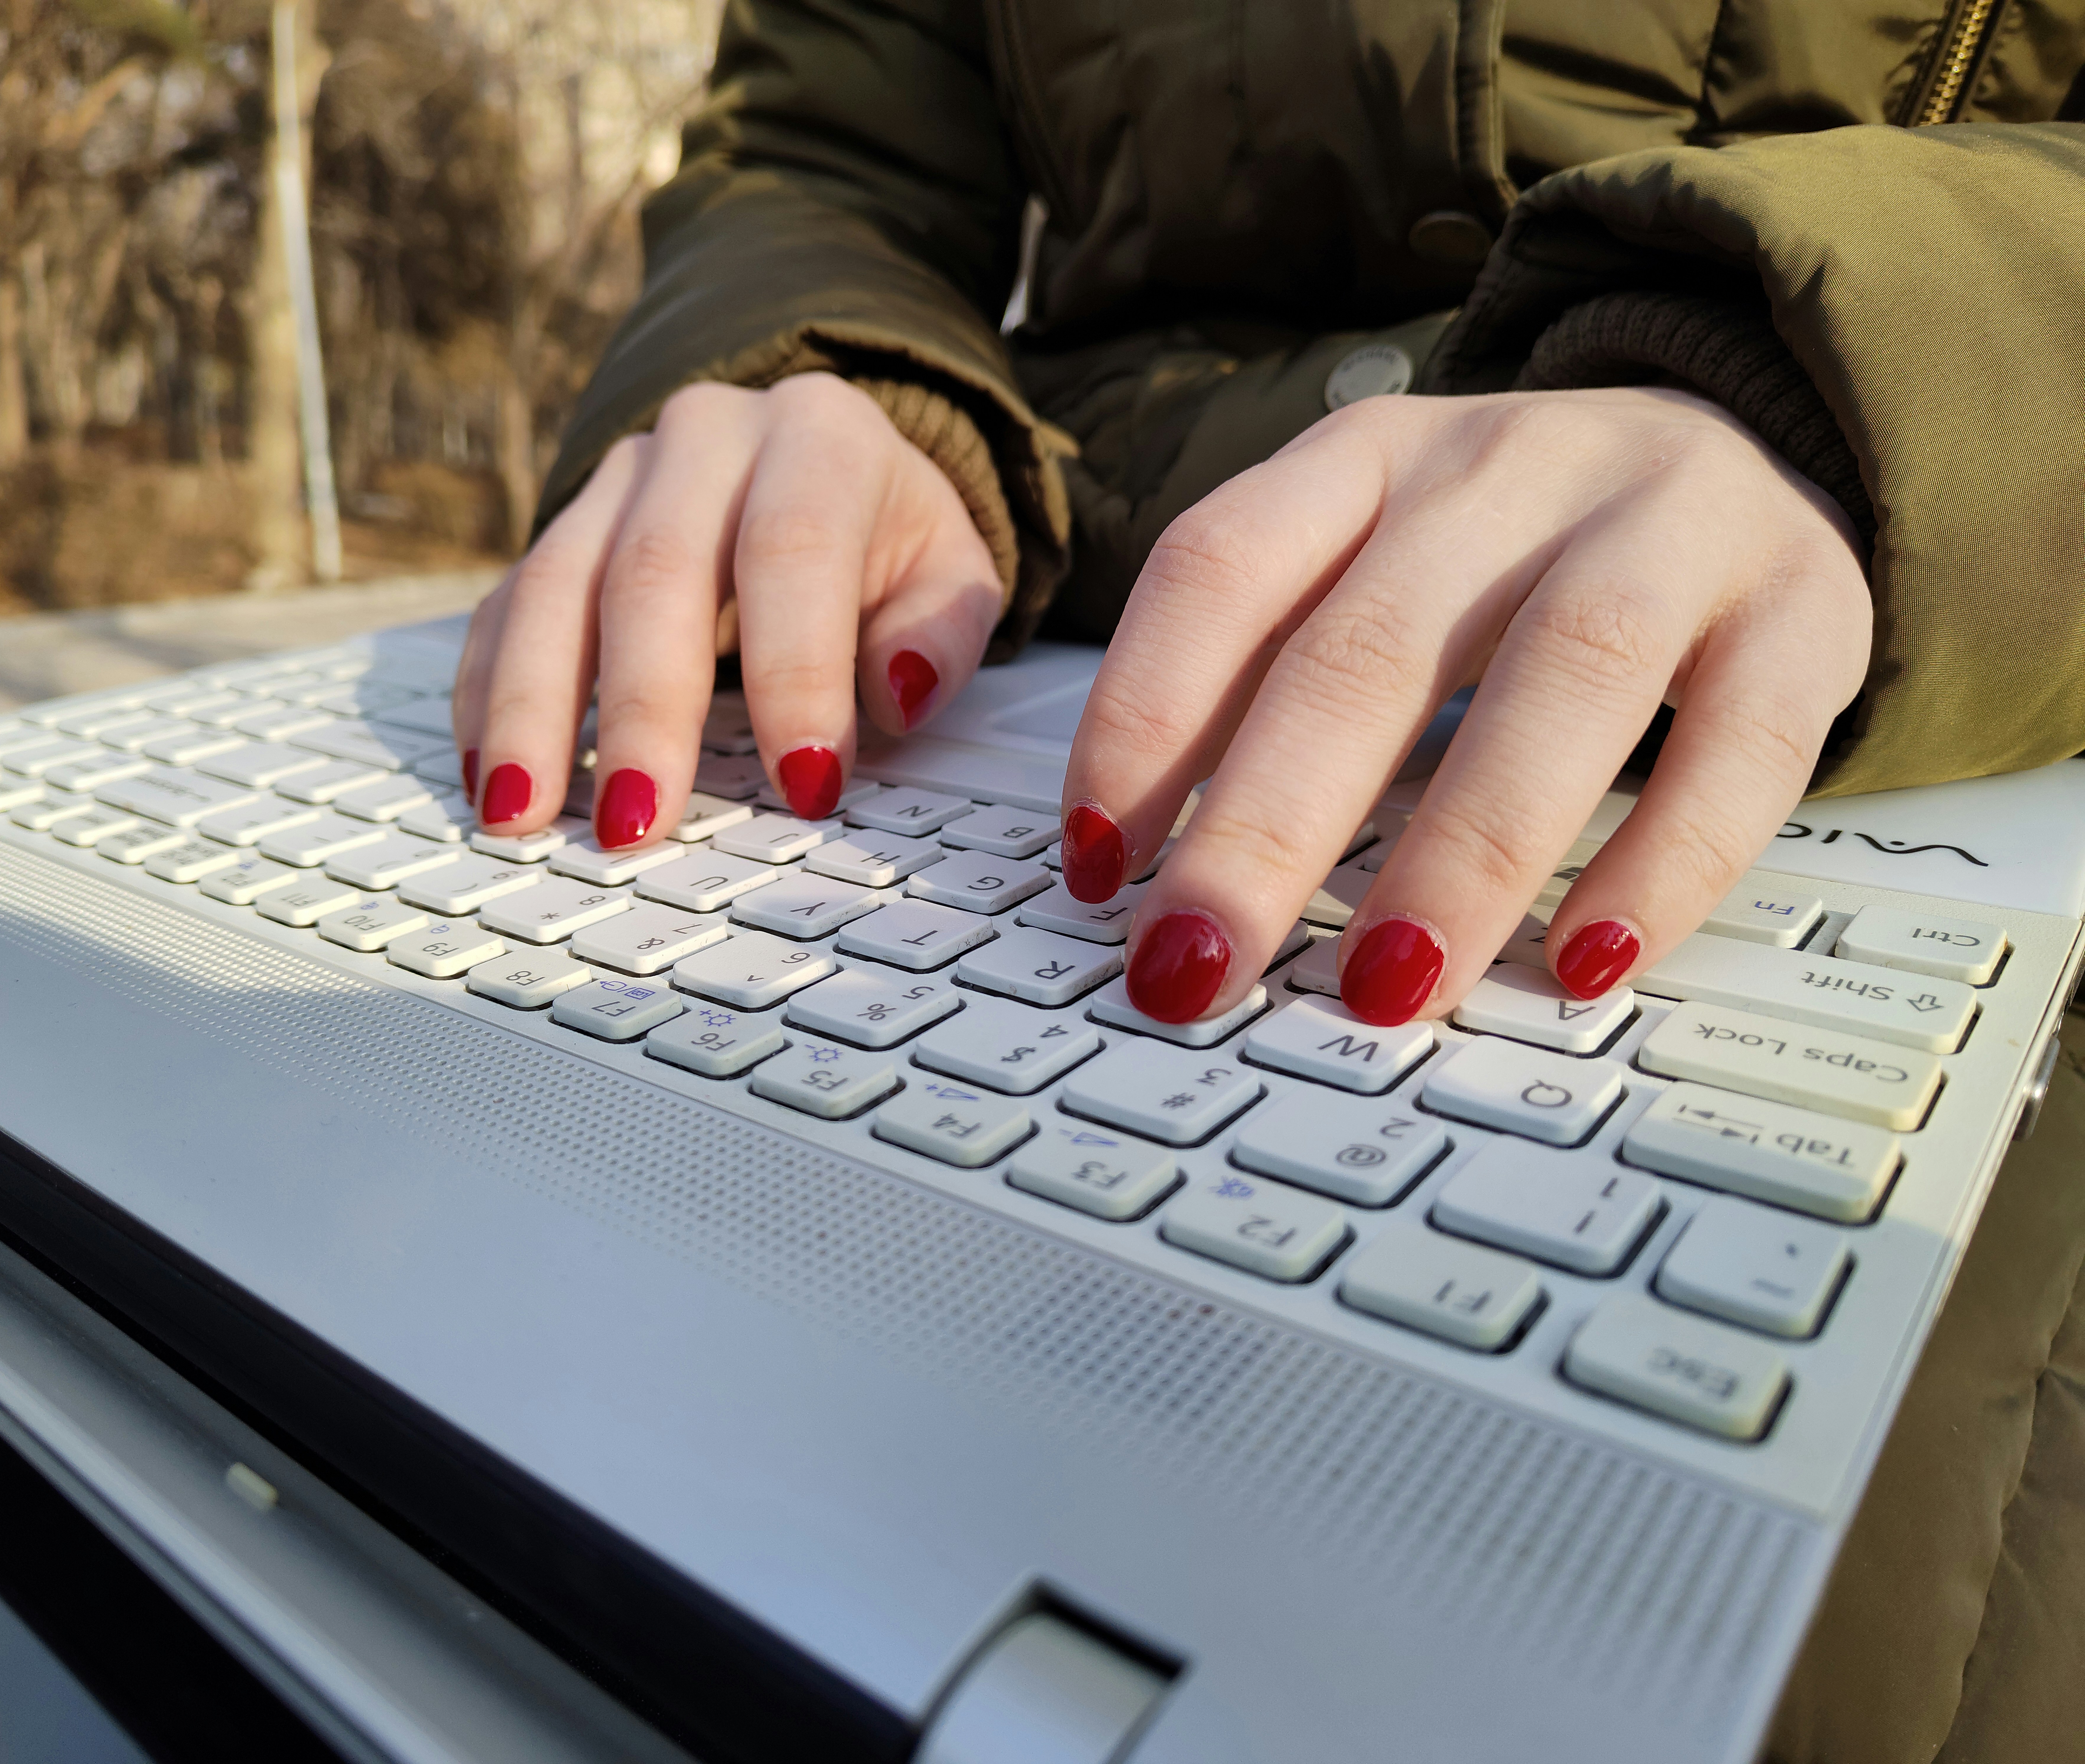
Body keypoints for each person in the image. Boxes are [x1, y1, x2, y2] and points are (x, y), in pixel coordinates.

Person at [451, 5, 2085, 1760]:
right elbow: (824, 156)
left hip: (1906, 689)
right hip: (1050, 659)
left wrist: (1831, 385)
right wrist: (827, 378)